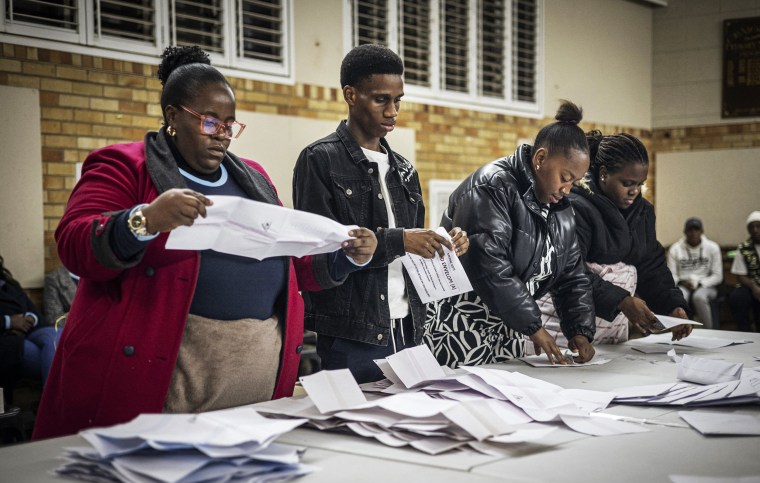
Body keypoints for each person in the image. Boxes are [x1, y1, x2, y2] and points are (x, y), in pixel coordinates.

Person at [33, 45, 377, 440]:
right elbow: (75, 242)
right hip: (165, 373)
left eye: (230, 125)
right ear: (173, 117)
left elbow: (291, 263)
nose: (223, 136)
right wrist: (144, 220)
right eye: (210, 122)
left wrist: (346, 256)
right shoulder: (125, 166)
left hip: (254, 381)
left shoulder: (255, 178)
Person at [292, 44, 469, 383]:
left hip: (408, 329)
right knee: (349, 433)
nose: (392, 111)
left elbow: (412, 254)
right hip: (352, 336)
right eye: (381, 99)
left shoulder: (404, 169)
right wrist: (402, 241)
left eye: (398, 100)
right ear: (351, 95)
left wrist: (443, 244)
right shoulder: (319, 160)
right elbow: (319, 260)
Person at [424, 100, 596, 368]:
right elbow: (490, 266)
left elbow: (572, 274)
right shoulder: (492, 187)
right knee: (463, 402)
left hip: (512, 326)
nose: (567, 189)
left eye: (575, 181)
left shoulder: (560, 209)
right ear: (540, 159)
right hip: (464, 324)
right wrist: (534, 326)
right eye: (565, 177)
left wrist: (580, 330)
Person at [557, 130, 691, 341]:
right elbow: (569, 269)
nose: (634, 191)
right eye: (627, 183)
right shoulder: (574, 207)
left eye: (640, 184)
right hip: (566, 320)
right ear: (603, 174)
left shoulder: (643, 212)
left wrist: (672, 305)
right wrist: (621, 301)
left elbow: (650, 265)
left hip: (612, 325)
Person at [0, 255, 58, 394]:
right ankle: (52, 404)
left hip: (29, 331)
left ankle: (52, 405)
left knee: (55, 335)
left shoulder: (9, 283)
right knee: (52, 358)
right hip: (7, 338)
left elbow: (34, 311)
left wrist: (31, 318)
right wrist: (9, 322)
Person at [667, 217, 723, 328]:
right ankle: (681, 330)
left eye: (696, 230)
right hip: (683, 284)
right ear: (685, 232)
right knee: (679, 297)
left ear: (702, 231)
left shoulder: (712, 247)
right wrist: (683, 283)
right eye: (690, 230)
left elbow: (718, 276)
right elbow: (671, 275)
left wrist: (700, 283)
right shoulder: (675, 249)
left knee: (699, 297)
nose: (693, 233)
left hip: (706, 285)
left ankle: (710, 331)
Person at [729, 211, 760, 332]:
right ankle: (744, 331)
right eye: (752, 227)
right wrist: (754, 287)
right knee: (737, 297)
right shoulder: (743, 247)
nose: (755, 230)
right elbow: (740, 275)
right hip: (751, 285)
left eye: (758, 226)